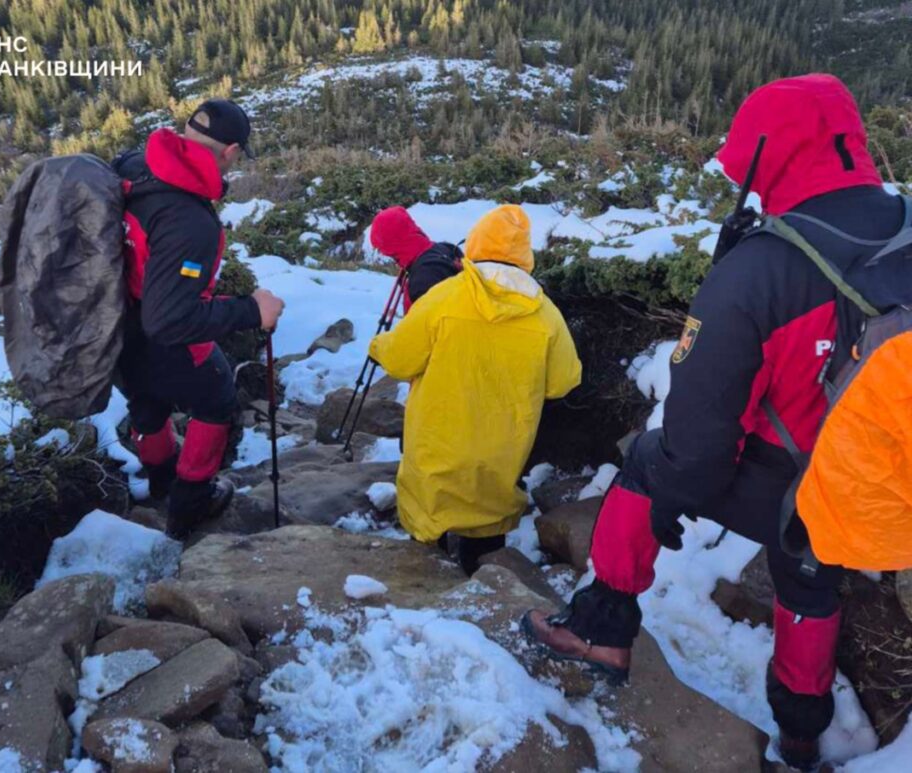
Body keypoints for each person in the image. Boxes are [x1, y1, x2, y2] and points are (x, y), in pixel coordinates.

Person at [521, 74, 907, 771]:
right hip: (882, 479)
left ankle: (600, 630)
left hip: (797, 485)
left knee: (648, 461)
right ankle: (801, 730)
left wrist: (671, 490)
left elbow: (697, 449)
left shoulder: (760, 270)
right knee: (808, 572)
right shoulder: (906, 225)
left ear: (770, 156)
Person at [369, 204, 582, 575]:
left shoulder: (444, 297)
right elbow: (563, 381)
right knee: (486, 532)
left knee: (427, 523)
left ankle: (426, 580)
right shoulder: (545, 313)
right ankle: (484, 586)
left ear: (478, 244)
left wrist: (379, 345)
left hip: (438, 440)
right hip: (500, 451)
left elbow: (399, 360)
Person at [112, 99, 285, 539]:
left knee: (146, 403)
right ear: (229, 152)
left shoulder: (137, 166)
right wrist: (251, 310)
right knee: (217, 399)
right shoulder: (191, 221)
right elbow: (170, 320)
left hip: (113, 328)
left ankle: (161, 482)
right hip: (161, 337)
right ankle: (191, 503)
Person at [369, 206, 463, 312]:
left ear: (391, 246)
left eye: (382, 249)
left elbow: (425, 326)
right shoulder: (446, 248)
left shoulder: (422, 279)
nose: (381, 253)